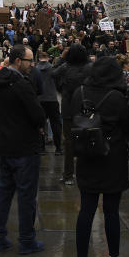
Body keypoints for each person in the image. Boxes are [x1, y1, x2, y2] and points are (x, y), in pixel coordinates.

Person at [68, 56, 129, 257]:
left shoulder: (80, 93)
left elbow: (71, 120)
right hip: (112, 158)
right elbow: (127, 125)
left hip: (87, 156)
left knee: (86, 209)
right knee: (112, 211)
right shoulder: (117, 96)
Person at [0, 44, 47, 254]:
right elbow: (38, 114)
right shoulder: (21, 84)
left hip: (6, 144)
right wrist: (39, 126)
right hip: (25, 146)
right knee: (26, 196)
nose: (31, 64)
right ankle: (27, 240)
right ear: (17, 61)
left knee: (4, 193)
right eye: (28, 61)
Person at [52, 43, 89, 185]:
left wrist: (62, 58)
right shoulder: (89, 68)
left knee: (68, 142)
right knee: (86, 140)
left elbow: (53, 72)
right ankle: (84, 172)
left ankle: (68, 175)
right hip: (85, 108)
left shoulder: (65, 67)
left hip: (68, 109)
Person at [35, 51, 62, 155]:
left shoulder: (35, 69)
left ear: (39, 58)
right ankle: (58, 148)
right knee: (56, 124)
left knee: (40, 125)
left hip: (39, 99)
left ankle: (41, 148)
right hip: (52, 98)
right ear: (48, 58)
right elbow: (59, 84)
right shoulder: (53, 69)